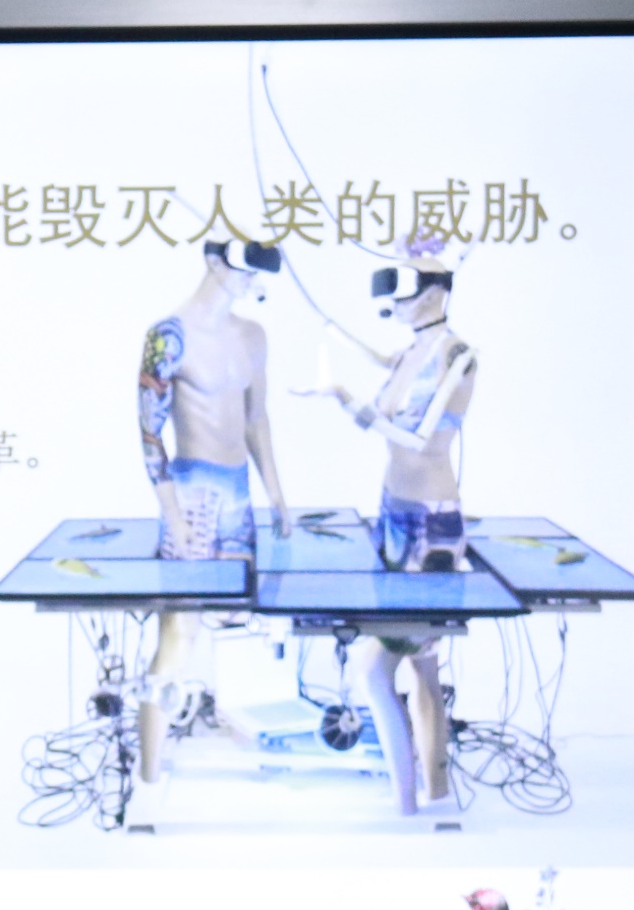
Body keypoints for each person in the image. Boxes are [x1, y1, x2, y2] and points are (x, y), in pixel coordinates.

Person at [302, 247, 478, 815]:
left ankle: (408, 806)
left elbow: (418, 439)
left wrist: (342, 398)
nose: (392, 298)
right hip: (394, 515)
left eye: (402, 284)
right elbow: (382, 359)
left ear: (437, 289)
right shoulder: (409, 351)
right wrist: (333, 331)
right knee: (423, 665)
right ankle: (435, 795)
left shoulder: (457, 356)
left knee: (376, 668)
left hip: (431, 526)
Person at [135, 239, 293, 786]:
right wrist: (172, 514)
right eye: (245, 265)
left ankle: (244, 746)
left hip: (238, 496)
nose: (252, 278)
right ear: (213, 260)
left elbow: (256, 419)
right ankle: (148, 779)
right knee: (178, 639)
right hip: (193, 491)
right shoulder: (168, 336)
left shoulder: (253, 336)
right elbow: (149, 431)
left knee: (240, 625)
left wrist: (276, 495)